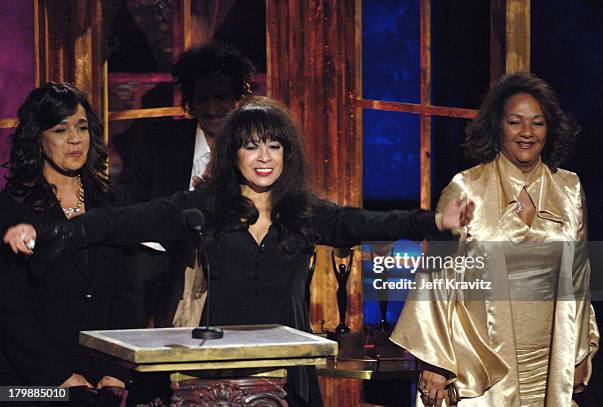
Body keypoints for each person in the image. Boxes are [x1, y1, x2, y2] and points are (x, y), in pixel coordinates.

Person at [5, 96, 472, 406]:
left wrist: (436, 221)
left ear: (287, 154)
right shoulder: (202, 208)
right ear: (234, 155)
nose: (264, 157)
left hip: (287, 377)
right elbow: (120, 221)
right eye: (251, 147)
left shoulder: (303, 212)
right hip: (213, 380)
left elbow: (367, 222)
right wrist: (47, 234)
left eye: (273, 146)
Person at [390, 72, 599, 407]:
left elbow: (578, 276)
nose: (527, 132)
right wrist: (435, 361)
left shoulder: (570, 190)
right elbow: (436, 276)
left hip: (550, 357)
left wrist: (578, 352)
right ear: (497, 126)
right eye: (515, 122)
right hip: (481, 358)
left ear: (550, 130)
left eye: (538, 123)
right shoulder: (466, 188)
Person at [0, 83, 139, 403]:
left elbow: (129, 293)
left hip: (105, 378)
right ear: (38, 138)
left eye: (82, 127)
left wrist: (118, 370)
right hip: (30, 383)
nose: (75, 139)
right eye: (61, 129)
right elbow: (9, 308)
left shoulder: (113, 202)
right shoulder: (9, 210)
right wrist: (57, 377)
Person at [112, 42, 255, 327]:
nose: (212, 108)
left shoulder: (257, 146)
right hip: (167, 265)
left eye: (221, 97)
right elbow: (130, 195)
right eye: (202, 98)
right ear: (189, 101)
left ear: (238, 98)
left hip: (237, 259)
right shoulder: (161, 141)